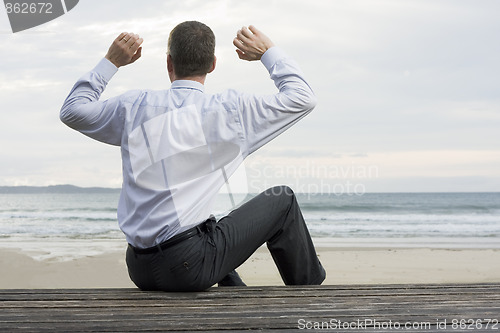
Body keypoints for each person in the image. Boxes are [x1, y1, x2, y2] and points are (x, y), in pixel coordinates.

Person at [60, 21, 325, 291]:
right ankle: (311, 294)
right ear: (212, 64)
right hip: (188, 267)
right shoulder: (232, 111)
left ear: (168, 63)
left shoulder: (133, 106)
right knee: (283, 200)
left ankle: (235, 288)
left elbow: (72, 111)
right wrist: (268, 52)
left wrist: (111, 62)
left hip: (140, 268)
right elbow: (303, 98)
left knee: (202, 219)